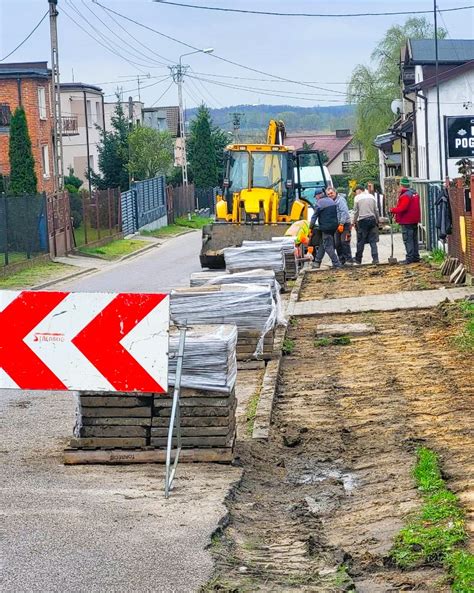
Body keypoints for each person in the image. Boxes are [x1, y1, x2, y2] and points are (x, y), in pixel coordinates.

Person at [390, 177, 421, 264]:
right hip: (414, 220)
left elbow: (402, 208)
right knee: (414, 239)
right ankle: (415, 256)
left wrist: (392, 210)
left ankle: (409, 258)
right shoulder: (415, 194)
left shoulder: (405, 196)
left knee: (408, 239)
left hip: (407, 221)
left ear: (401, 185)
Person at [309, 188, 341, 269]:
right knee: (322, 244)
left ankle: (336, 264)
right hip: (334, 227)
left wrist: (310, 228)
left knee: (327, 246)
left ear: (318, 195)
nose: (316, 198)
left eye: (315, 196)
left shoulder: (319, 203)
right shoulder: (331, 201)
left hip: (326, 228)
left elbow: (314, 217)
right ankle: (317, 262)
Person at [353, 185, 380, 265]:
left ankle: (358, 259)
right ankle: (375, 259)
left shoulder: (357, 198)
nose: (355, 193)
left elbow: (356, 211)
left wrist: (354, 221)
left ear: (359, 190)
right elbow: (376, 210)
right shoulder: (372, 197)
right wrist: (377, 220)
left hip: (362, 221)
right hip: (372, 220)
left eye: (356, 191)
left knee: (361, 241)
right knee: (373, 241)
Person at [327, 187, 353, 265]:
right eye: (328, 194)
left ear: (335, 192)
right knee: (337, 243)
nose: (330, 195)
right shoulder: (331, 202)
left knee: (344, 241)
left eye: (331, 193)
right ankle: (341, 260)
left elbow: (344, 212)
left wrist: (341, 223)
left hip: (345, 224)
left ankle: (349, 259)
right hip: (336, 225)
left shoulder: (340, 200)